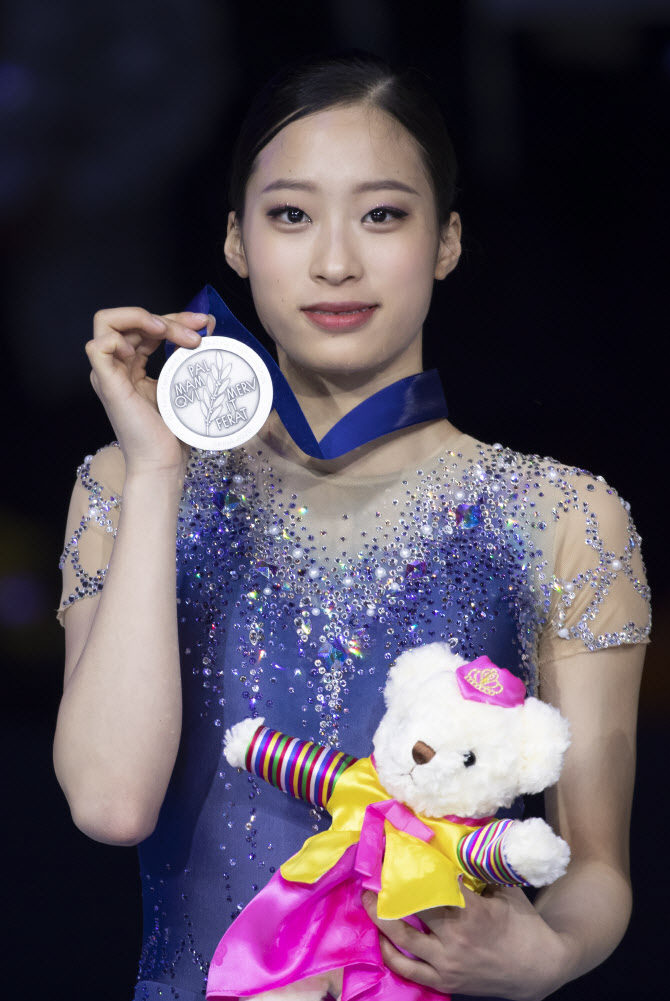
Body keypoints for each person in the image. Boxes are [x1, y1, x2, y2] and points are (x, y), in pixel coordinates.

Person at [54, 52, 651, 1001]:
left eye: (382, 215)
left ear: (447, 240)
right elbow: (111, 802)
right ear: (237, 240)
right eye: (291, 215)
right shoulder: (125, 484)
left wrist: (551, 953)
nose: (336, 262)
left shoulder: (563, 516)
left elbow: (596, 870)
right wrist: (162, 469)